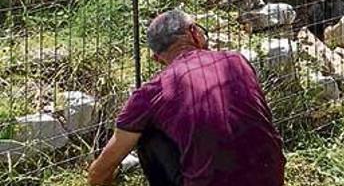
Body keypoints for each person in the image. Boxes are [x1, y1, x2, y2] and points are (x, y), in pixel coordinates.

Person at [87, 10, 285, 186]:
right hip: (272, 177)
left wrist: (97, 178)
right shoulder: (236, 61)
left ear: (157, 59)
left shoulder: (152, 92)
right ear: (194, 33)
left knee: (145, 133)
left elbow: (102, 170)